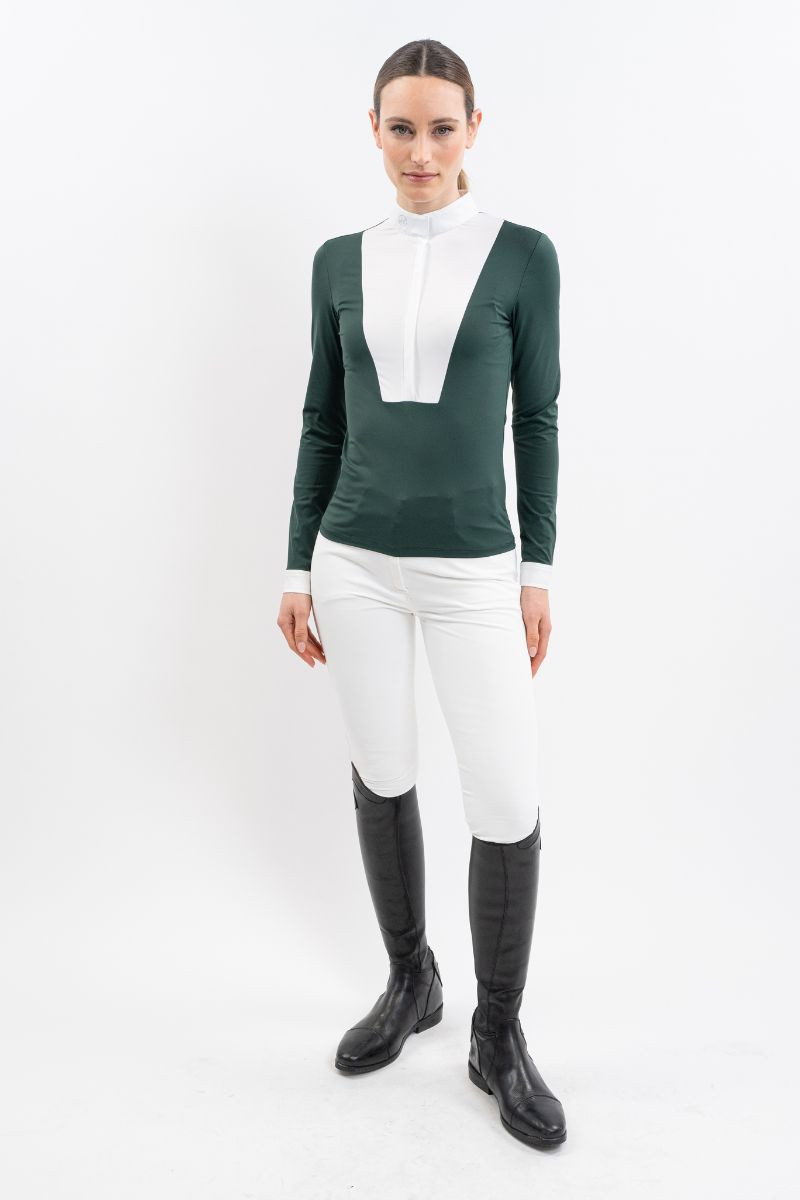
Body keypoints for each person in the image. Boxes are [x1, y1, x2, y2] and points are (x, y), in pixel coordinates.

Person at [276, 38, 566, 1150]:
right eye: (400, 128)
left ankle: (498, 1032)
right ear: (374, 129)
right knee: (382, 771)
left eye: (442, 128)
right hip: (352, 563)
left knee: (504, 798)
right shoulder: (338, 261)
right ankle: (413, 980)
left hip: (473, 570)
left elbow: (536, 419)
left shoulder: (522, 256)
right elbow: (321, 420)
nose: (420, 151)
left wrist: (535, 572)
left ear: (473, 130)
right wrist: (295, 568)